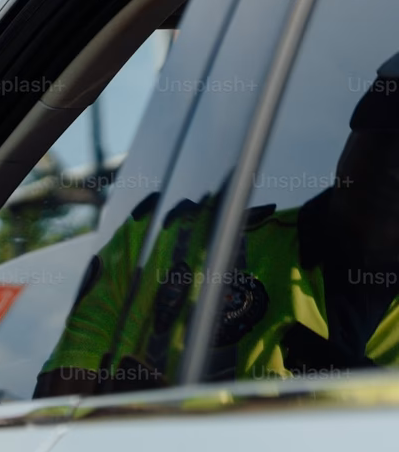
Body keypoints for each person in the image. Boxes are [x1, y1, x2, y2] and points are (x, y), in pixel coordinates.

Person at [39, 52, 399, 393]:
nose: (392, 166)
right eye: (387, 131)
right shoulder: (165, 248)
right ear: (353, 135)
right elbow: (56, 419)